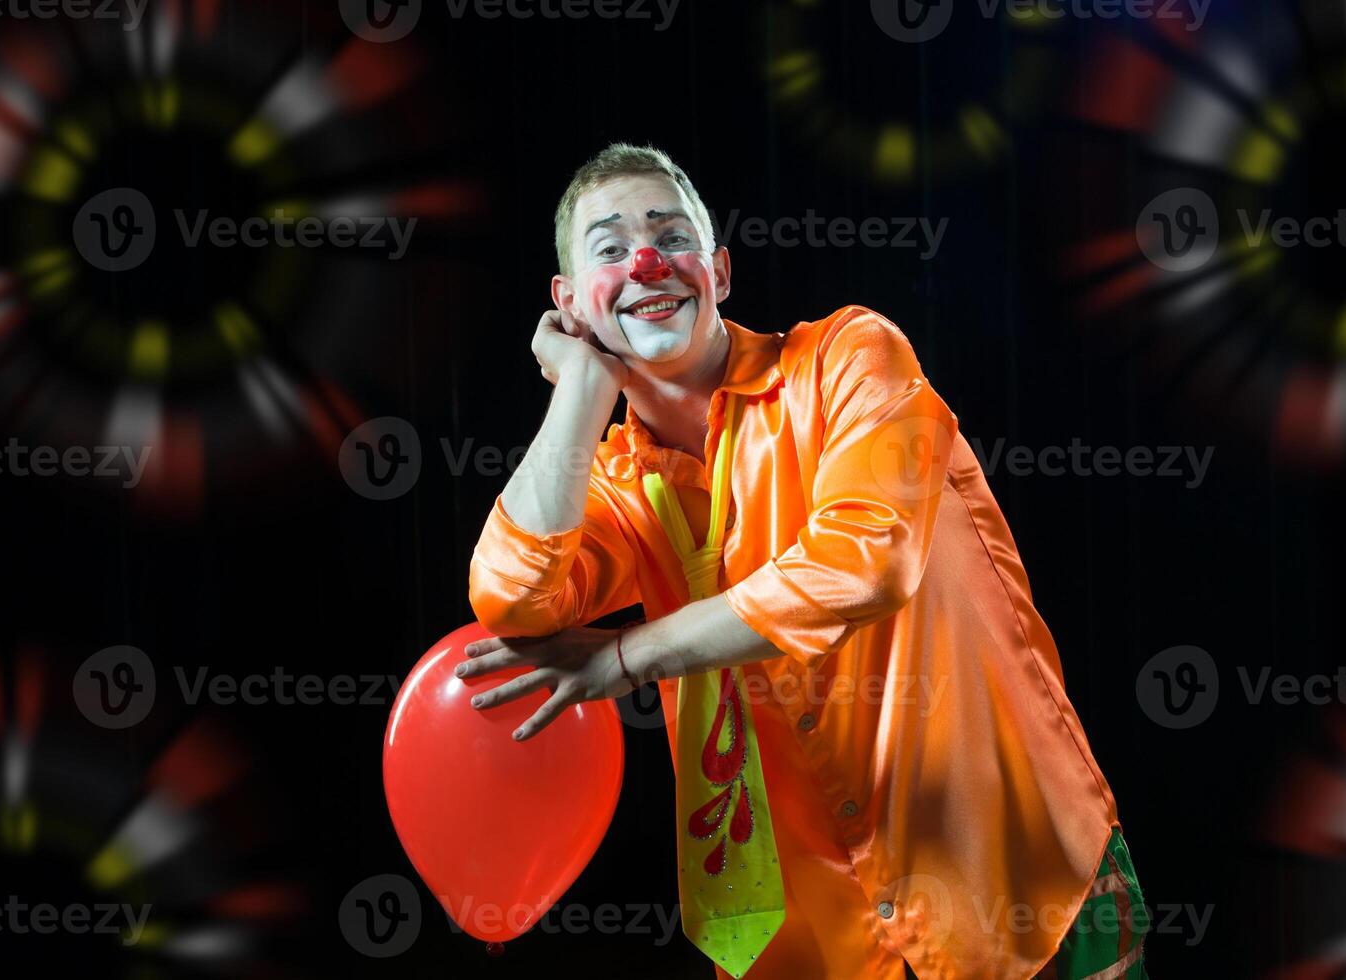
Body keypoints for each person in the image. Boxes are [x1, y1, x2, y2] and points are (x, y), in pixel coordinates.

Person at [460, 143, 1148, 980]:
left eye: (670, 235)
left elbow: (864, 562)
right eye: (609, 248)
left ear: (716, 270)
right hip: (811, 948)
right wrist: (578, 391)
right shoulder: (607, 487)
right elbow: (514, 599)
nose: (647, 259)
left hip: (1020, 891)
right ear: (569, 306)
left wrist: (624, 657)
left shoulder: (849, 359)